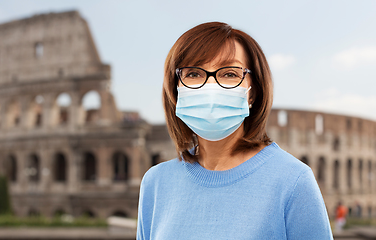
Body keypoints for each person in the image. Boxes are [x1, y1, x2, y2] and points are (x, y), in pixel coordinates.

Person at [136, 22, 333, 239]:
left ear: (252, 92)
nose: (210, 86)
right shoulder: (155, 183)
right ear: (175, 88)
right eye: (193, 73)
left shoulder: (293, 181)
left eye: (229, 73)